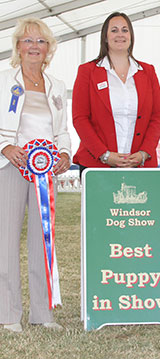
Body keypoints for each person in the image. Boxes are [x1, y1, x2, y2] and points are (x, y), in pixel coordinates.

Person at [0, 18, 71, 333]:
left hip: (45, 174)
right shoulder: (3, 81)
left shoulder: (57, 85)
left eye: (40, 41)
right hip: (10, 169)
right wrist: (5, 147)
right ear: (18, 46)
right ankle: (8, 313)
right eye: (27, 40)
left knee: (44, 244)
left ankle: (43, 314)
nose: (33, 46)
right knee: (6, 242)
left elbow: (62, 131)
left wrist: (65, 153)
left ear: (48, 49)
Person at [72, 12, 160, 173]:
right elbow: (80, 118)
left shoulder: (148, 72)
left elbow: (157, 116)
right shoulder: (87, 71)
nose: (120, 34)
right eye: (114, 30)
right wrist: (104, 155)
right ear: (105, 37)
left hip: (140, 164)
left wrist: (144, 153)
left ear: (131, 36)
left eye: (125, 30)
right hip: (96, 164)